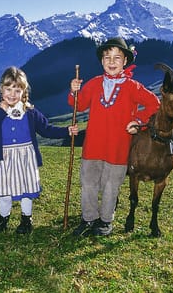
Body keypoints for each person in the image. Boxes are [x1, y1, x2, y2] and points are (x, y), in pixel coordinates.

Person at [68, 37, 160, 236]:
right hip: (92, 146)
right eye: (107, 57)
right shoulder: (94, 84)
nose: (111, 61)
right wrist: (74, 92)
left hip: (118, 148)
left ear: (125, 61)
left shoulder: (132, 86)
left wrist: (138, 121)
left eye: (117, 57)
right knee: (89, 184)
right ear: (101, 61)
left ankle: (105, 220)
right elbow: (79, 105)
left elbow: (155, 105)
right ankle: (88, 218)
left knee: (111, 186)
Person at [0, 66, 79, 234]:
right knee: (5, 192)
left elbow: (46, 129)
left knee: (26, 191)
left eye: (17, 90)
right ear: (1, 89)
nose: (12, 94)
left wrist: (66, 131)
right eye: (8, 89)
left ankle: (26, 219)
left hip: (26, 158)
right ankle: (3, 219)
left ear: (24, 91)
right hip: (4, 157)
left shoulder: (30, 112)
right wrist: (2, 112)